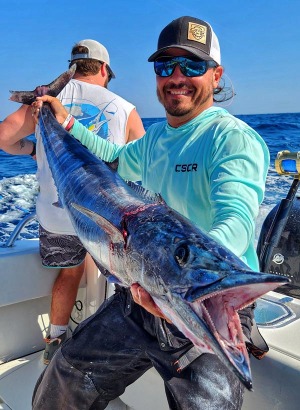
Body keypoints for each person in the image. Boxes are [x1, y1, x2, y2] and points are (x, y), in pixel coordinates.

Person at [32, 16, 270, 410]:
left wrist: (186, 269)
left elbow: (238, 220)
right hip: (143, 293)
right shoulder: (158, 136)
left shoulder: (232, 140)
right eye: (166, 66)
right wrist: (66, 121)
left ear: (216, 75)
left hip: (208, 304)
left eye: (193, 65)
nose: (177, 76)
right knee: (64, 376)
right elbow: (115, 158)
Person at [0, 39, 145, 365]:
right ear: (105, 69)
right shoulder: (125, 108)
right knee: (122, 279)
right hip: (102, 218)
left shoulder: (45, 102)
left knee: (69, 273)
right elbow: (143, 168)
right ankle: (111, 346)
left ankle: (54, 340)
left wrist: (33, 148)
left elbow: (3, 139)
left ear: (73, 66)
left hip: (55, 215)